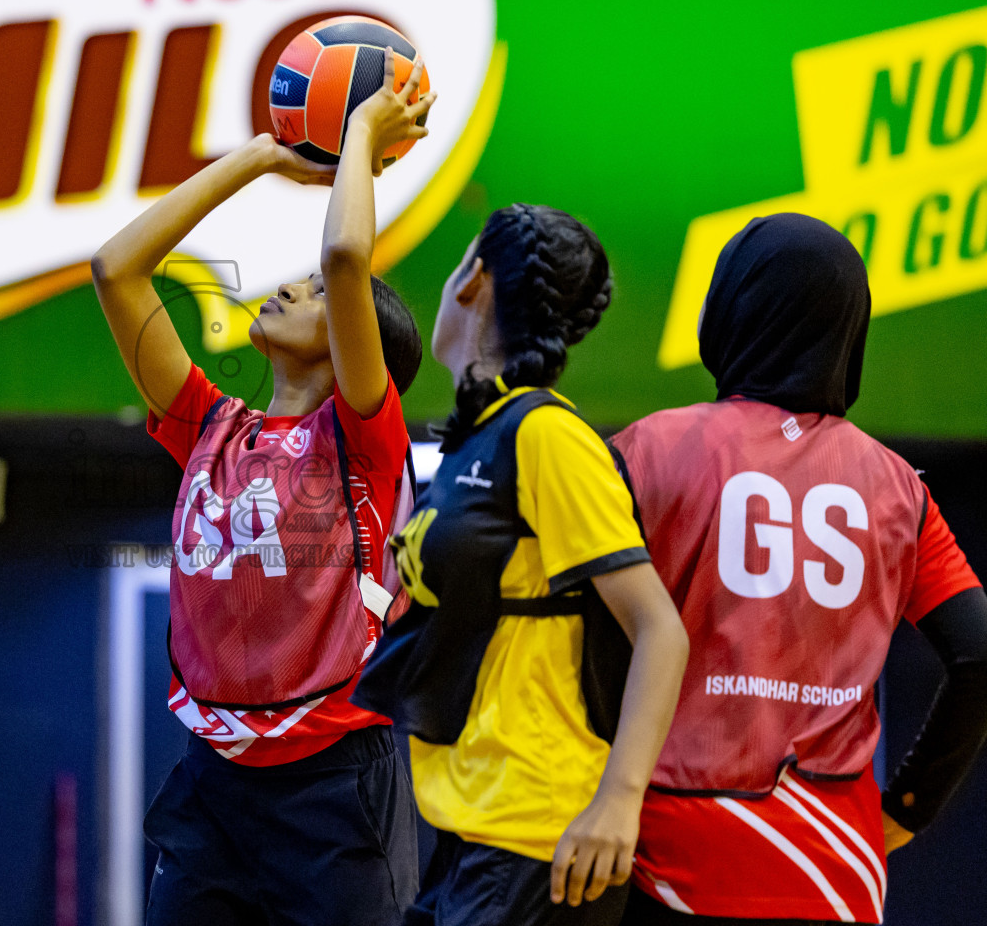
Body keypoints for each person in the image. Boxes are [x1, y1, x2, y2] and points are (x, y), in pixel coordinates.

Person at [92, 50, 432, 925]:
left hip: (332, 786)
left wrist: (358, 132)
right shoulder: (210, 425)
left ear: (360, 346)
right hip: (214, 780)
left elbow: (350, 252)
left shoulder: (363, 439)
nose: (290, 285)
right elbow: (117, 269)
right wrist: (261, 157)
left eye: (313, 291)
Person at [611, 213, 987, 925]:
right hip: (834, 869)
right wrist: (904, 812)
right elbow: (978, 653)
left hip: (665, 862)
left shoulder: (645, 451)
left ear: (728, 308)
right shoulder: (899, 487)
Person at [353, 203, 690, 926]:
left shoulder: (547, 436)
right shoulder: (483, 434)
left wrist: (619, 803)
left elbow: (660, 629)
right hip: (470, 829)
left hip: (542, 835)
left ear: (473, 280)